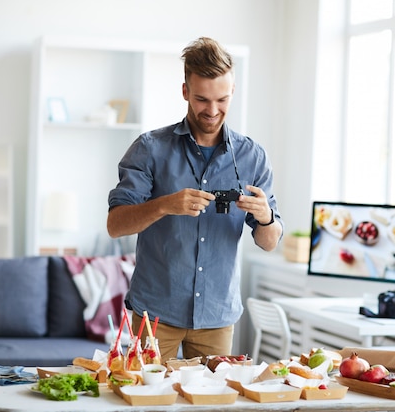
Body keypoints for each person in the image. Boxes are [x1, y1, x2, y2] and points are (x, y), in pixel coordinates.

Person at [106, 36, 283, 364]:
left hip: (217, 316)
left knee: (211, 402)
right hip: (155, 314)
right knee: (145, 398)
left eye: (222, 99)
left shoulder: (253, 157)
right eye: (202, 99)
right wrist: (164, 205)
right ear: (185, 91)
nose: (212, 111)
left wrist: (266, 217)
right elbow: (116, 225)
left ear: (233, 92)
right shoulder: (149, 149)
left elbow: (269, 242)